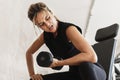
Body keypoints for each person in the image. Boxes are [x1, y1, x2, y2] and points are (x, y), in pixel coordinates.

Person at [26, 2, 106, 80]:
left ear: (51, 13)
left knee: (84, 66)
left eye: (47, 18)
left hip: (93, 71)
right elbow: (29, 53)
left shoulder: (69, 30)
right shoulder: (45, 36)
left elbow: (92, 57)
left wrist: (59, 63)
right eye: (41, 24)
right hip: (75, 74)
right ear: (38, 26)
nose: (47, 24)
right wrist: (32, 74)